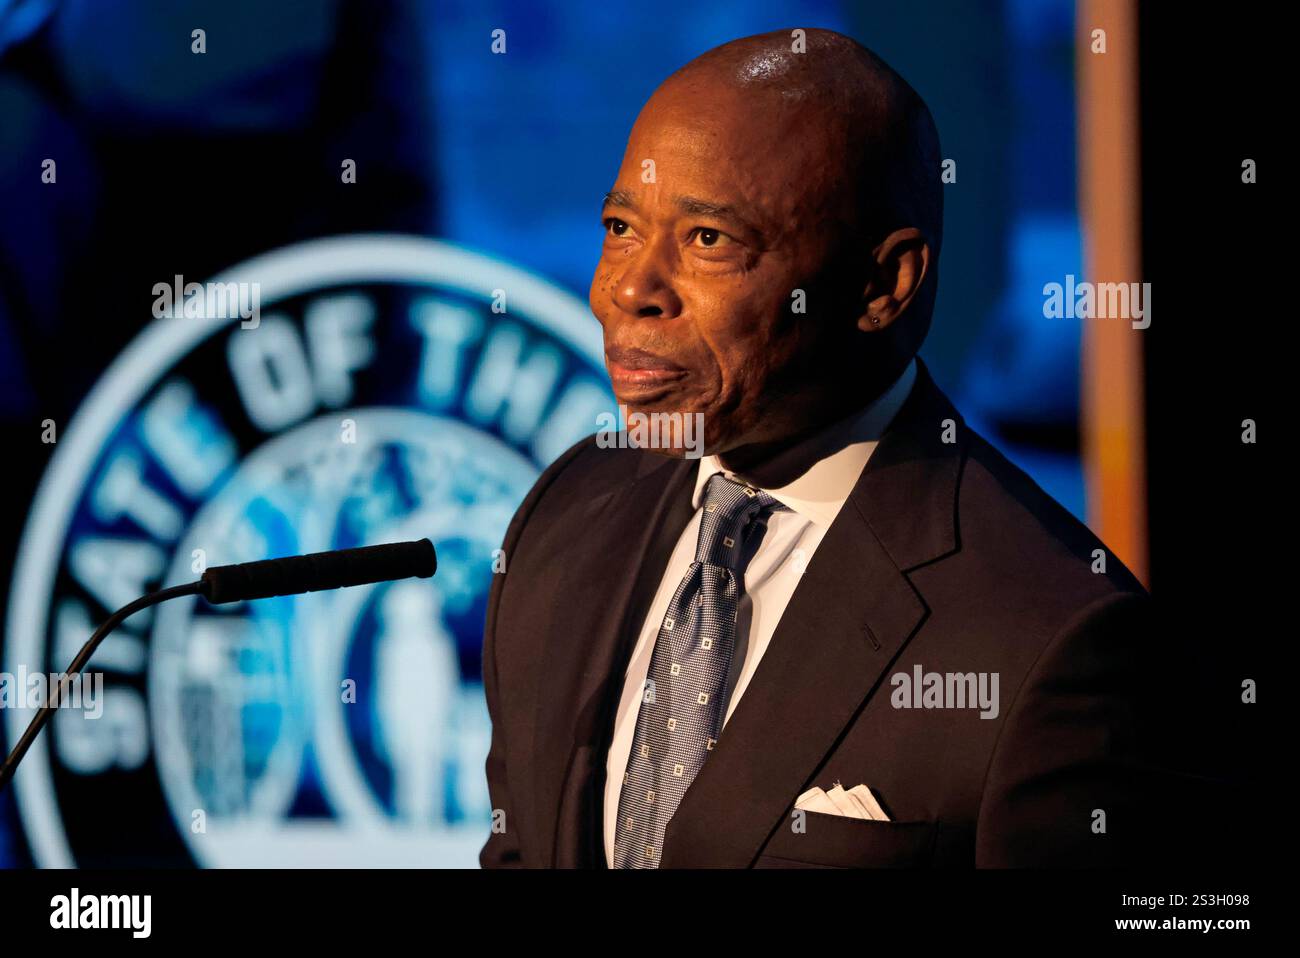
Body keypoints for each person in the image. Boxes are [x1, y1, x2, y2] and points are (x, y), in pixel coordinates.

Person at [479, 28, 1207, 869]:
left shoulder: (1057, 641)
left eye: (709, 241)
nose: (628, 291)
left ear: (882, 285)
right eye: (621, 226)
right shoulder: (566, 516)